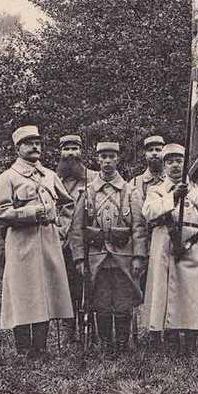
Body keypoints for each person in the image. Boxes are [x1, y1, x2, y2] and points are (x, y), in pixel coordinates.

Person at [0, 125, 74, 359]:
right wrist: (31, 212)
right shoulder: (7, 178)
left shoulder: (49, 175)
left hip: (49, 242)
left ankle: (41, 348)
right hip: (21, 244)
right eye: (29, 143)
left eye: (38, 142)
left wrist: (61, 229)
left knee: (46, 292)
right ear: (18, 148)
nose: (35, 146)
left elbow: (67, 204)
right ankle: (23, 350)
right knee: (23, 294)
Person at [141, 144, 198, 356]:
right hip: (165, 247)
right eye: (170, 161)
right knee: (165, 295)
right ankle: (168, 340)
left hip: (194, 249)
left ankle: (192, 342)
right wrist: (173, 197)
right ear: (164, 165)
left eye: (179, 161)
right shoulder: (156, 190)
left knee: (191, 295)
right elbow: (148, 212)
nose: (175, 165)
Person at [70, 141, 143, 356]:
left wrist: (139, 256)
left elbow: (139, 227)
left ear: (118, 159)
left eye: (112, 156)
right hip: (96, 257)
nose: (107, 161)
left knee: (122, 302)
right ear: (97, 160)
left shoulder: (131, 191)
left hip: (124, 256)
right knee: (100, 302)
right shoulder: (88, 192)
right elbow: (77, 229)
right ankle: (106, 343)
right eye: (103, 157)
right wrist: (79, 260)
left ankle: (121, 343)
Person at [56, 133, 97, 345]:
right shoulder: (52, 179)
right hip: (61, 243)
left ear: (82, 152)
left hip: (87, 243)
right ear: (60, 152)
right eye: (67, 149)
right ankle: (69, 331)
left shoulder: (93, 179)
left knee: (90, 287)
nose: (71, 153)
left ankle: (92, 330)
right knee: (66, 287)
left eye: (75, 149)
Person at [129, 134, 165, 349]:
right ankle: (142, 333)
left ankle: (165, 331)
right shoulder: (134, 183)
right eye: (150, 149)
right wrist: (138, 250)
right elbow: (136, 219)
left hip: (165, 241)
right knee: (139, 289)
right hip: (143, 242)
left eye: (158, 149)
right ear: (144, 154)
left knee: (163, 286)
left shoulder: (173, 181)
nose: (154, 153)